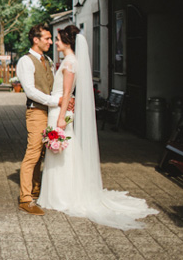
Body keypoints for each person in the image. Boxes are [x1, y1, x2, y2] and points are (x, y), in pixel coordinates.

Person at [38, 25, 157, 229]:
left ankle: (63, 195)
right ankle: (61, 192)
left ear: (67, 42)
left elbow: (67, 93)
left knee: (61, 151)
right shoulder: (69, 62)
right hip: (59, 110)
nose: (55, 43)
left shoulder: (69, 63)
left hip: (59, 112)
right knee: (62, 150)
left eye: (58, 39)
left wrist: (61, 119)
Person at [16, 24, 67, 216]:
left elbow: (52, 86)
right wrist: (56, 101)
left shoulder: (48, 60)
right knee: (33, 153)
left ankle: (36, 190)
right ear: (35, 40)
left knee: (43, 153)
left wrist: (61, 103)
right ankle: (25, 199)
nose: (50, 42)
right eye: (46, 38)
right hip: (36, 111)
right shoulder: (25, 61)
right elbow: (30, 91)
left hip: (51, 111)